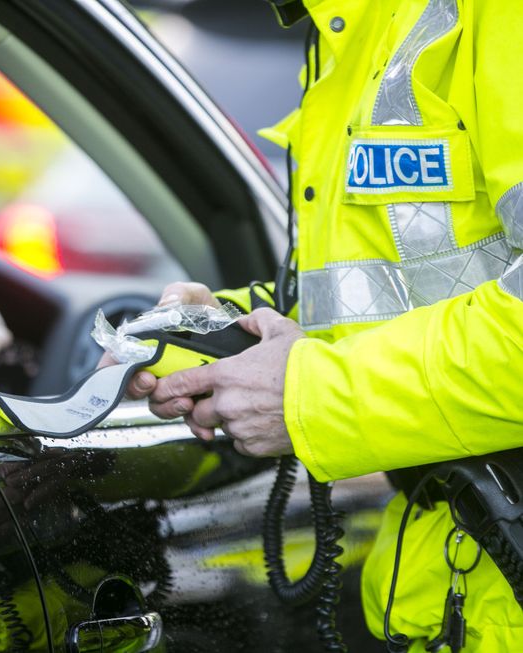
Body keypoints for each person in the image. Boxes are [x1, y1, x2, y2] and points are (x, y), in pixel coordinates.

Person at [129, 0, 523, 649]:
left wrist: (309, 394)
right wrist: (220, 336)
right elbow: (383, 301)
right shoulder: (353, 29)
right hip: (460, 578)